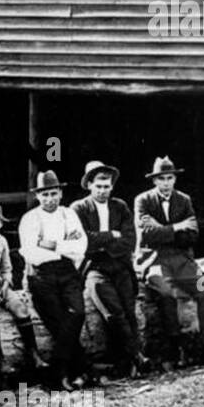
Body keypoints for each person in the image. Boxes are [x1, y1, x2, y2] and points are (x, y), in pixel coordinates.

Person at [133, 156, 204, 367]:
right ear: (154, 181)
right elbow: (147, 235)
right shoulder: (143, 200)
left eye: (169, 178)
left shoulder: (184, 200)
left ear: (175, 179)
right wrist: (177, 227)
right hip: (154, 260)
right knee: (166, 294)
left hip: (182, 260)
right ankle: (174, 349)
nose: (165, 183)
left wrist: (163, 230)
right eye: (161, 179)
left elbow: (192, 235)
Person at [71, 161, 149, 379]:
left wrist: (103, 243)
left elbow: (129, 240)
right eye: (99, 186)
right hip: (95, 268)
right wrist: (110, 236)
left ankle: (130, 363)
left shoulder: (120, 207)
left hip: (121, 265)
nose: (103, 191)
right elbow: (82, 242)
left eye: (107, 186)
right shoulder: (78, 209)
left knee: (129, 311)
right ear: (89, 186)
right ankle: (137, 356)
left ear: (112, 186)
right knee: (113, 313)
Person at [18, 171, 89, 391]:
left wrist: (51, 244)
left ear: (60, 193)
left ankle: (58, 369)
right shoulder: (30, 219)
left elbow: (80, 247)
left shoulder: (69, 215)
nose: (50, 199)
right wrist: (63, 245)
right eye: (45, 194)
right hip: (41, 275)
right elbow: (31, 252)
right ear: (38, 196)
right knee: (58, 322)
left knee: (78, 313)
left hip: (67, 271)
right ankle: (75, 372)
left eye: (53, 193)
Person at [0, 202, 44, 391]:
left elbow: (7, 268)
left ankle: (34, 354)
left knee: (20, 306)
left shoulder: (2, 241)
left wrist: (5, 285)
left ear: (1, 224)